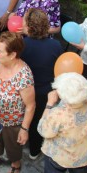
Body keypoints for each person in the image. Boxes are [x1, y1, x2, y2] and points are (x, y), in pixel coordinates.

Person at [0, 31, 35, 173]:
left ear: (12, 55)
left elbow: (31, 106)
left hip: (12, 122)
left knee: (13, 148)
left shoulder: (24, 77)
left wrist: (24, 129)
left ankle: (15, 165)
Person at [38, 72, 87, 173]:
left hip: (59, 157)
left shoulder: (58, 113)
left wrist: (49, 104)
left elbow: (44, 130)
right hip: (84, 153)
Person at [20, 8, 63, 159]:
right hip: (45, 90)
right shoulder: (56, 45)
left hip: (24, 90)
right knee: (39, 119)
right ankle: (35, 150)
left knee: (25, 115)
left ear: (29, 26)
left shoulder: (21, 44)